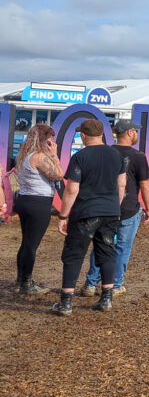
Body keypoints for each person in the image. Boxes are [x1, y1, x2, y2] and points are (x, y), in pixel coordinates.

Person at [50, 119, 126, 316]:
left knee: (74, 254)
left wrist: (63, 215)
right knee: (107, 252)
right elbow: (122, 185)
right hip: (110, 211)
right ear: (102, 134)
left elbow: (72, 189)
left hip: (85, 212)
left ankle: (66, 303)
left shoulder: (80, 157)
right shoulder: (117, 155)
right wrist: (115, 208)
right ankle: (106, 298)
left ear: (83, 135)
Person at [80, 119, 149, 297]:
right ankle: (116, 284)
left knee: (101, 245)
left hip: (105, 207)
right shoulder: (138, 156)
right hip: (128, 209)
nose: (136, 134)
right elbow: (144, 185)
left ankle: (90, 284)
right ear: (129, 133)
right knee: (122, 247)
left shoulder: (105, 153)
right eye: (135, 131)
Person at [13, 124, 64, 294]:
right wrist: (55, 156)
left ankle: (21, 280)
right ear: (45, 140)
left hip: (25, 199)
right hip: (38, 202)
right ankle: (27, 284)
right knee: (31, 245)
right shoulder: (40, 157)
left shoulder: (24, 154)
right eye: (50, 140)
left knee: (26, 243)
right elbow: (59, 174)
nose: (52, 143)